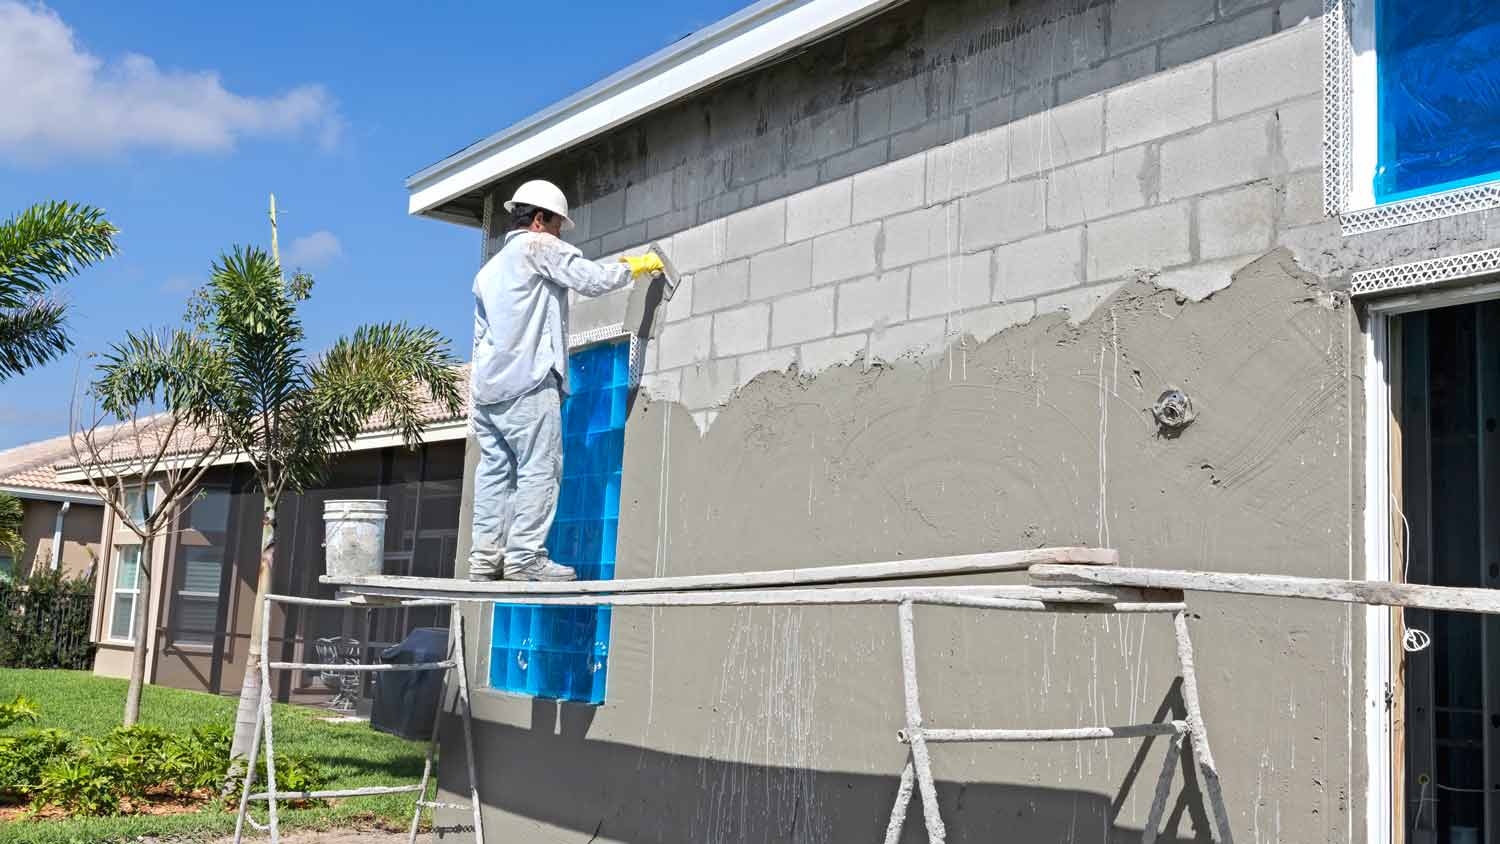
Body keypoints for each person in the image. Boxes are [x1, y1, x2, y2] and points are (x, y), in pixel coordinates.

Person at [467, 179, 662, 581]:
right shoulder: (537, 247)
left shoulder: (486, 272)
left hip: (489, 391)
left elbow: (479, 338)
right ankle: (524, 559)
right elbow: (589, 279)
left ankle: (485, 561)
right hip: (529, 383)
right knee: (540, 468)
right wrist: (634, 268)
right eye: (558, 225)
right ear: (539, 220)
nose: (559, 234)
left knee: (495, 473)